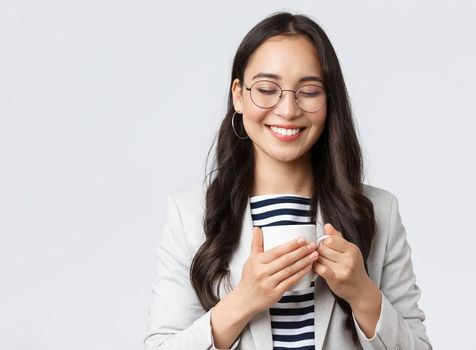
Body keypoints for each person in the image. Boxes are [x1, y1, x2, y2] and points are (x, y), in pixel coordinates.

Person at [144, 12, 432, 350]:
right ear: (239, 95)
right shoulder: (190, 213)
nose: (288, 109)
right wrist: (243, 301)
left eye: (309, 92)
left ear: (329, 101)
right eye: (267, 89)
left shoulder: (378, 211)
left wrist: (362, 293)